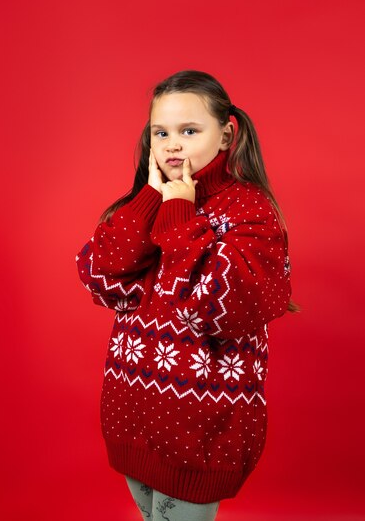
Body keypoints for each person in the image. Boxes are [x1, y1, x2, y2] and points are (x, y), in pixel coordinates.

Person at [76, 69, 300, 521]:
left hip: (200, 430)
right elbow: (100, 276)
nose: (172, 144)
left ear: (225, 135)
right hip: (132, 415)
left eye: (189, 130)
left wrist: (178, 213)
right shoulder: (147, 202)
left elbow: (219, 308)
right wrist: (149, 201)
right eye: (161, 132)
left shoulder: (249, 209)